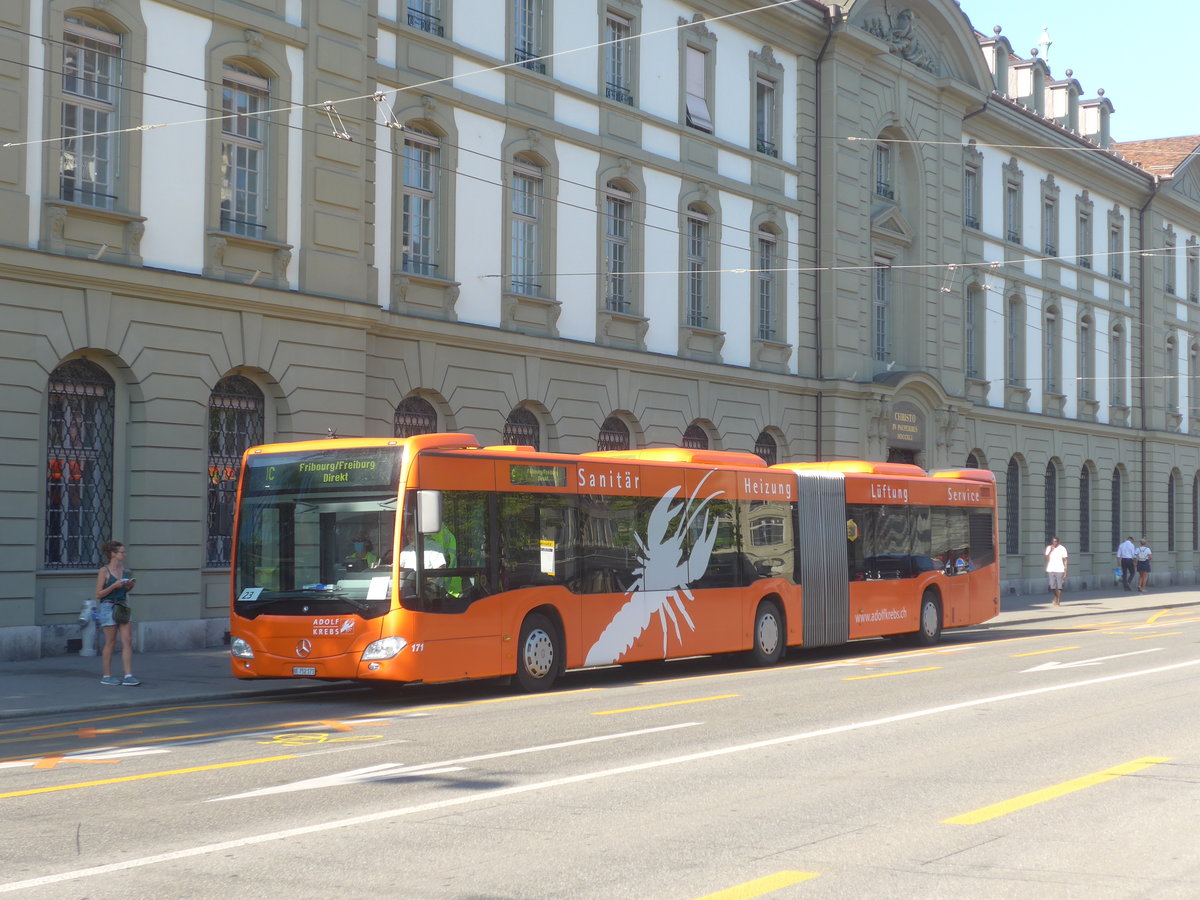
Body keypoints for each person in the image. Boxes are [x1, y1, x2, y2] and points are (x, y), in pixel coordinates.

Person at [95, 540, 140, 686]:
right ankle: (107, 676)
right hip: (108, 607)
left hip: (122, 606)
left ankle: (128, 675)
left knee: (127, 640)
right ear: (113, 554)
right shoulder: (104, 571)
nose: (124, 554)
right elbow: (98, 594)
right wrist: (114, 585)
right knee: (111, 642)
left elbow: (124, 591)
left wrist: (129, 586)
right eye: (122, 552)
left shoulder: (124, 571)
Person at [1044, 536, 1068, 607]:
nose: (1055, 543)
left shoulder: (1062, 548)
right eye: (1053, 541)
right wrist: (1050, 551)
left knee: (1060, 586)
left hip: (1060, 569)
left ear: (1058, 542)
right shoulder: (1049, 548)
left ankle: (1058, 601)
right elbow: (1047, 558)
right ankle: (1056, 597)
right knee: (1052, 586)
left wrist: (1065, 570)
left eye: (1056, 541)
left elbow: (1065, 560)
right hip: (1051, 569)